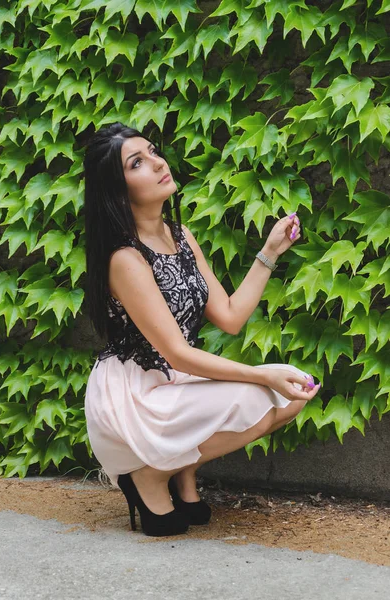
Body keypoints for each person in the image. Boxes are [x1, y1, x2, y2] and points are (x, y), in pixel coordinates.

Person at [83, 122, 321, 538]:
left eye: (153, 151)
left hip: (176, 380)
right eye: (137, 162)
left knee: (295, 392)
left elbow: (229, 316)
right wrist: (261, 374)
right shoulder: (124, 256)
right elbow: (175, 351)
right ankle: (148, 476)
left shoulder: (180, 235)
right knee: (258, 394)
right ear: (116, 188)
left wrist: (269, 252)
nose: (157, 163)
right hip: (135, 394)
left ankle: (182, 471)